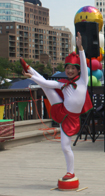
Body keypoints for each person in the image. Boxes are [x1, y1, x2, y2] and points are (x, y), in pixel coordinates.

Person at [21, 32, 92, 181]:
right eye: (67, 68)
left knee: (66, 147)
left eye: (73, 68)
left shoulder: (82, 81)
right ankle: (30, 68)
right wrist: (32, 77)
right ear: (65, 70)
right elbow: (46, 83)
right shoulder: (62, 83)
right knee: (47, 88)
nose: (70, 70)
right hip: (61, 110)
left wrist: (80, 48)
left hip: (71, 119)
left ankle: (70, 172)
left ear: (79, 70)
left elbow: (84, 65)